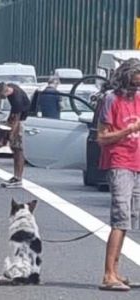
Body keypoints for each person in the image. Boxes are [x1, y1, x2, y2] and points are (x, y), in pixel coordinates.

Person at [97, 58, 140, 291]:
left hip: (136, 162)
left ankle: (116, 269)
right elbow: (101, 138)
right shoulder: (111, 100)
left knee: (129, 220)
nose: (136, 89)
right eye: (133, 85)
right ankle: (108, 275)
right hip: (119, 162)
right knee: (119, 218)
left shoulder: (139, 98)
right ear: (124, 81)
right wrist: (128, 130)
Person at [0, 82, 30, 188]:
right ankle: (16, 176)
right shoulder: (12, 87)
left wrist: (11, 133)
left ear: (6, 91)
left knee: (18, 150)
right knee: (15, 150)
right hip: (16, 119)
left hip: (21, 121)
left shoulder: (17, 100)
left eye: (2, 95)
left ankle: (18, 178)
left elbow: (16, 119)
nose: (2, 98)